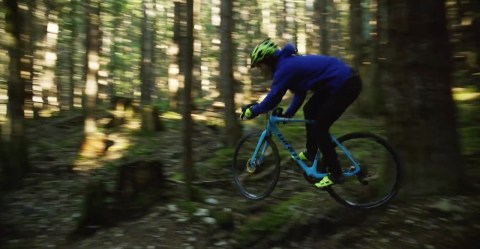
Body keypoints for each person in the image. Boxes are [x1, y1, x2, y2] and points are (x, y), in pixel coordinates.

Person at [240, 38, 362, 188]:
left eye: (261, 66)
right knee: (309, 110)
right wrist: (289, 113)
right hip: (338, 83)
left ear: (268, 59)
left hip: (346, 84)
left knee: (320, 127)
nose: (261, 70)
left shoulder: (284, 67)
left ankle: (336, 173)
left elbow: (274, 97)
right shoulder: (288, 63)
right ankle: (311, 151)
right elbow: (300, 92)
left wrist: (253, 111)